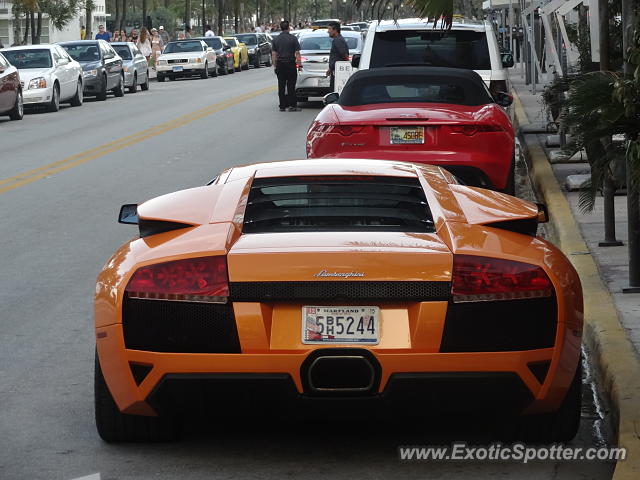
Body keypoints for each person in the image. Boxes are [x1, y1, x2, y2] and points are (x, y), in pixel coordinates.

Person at [271, 20, 302, 112]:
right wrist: (299, 65)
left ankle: (282, 106)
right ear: (288, 27)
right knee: (291, 85)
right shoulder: (293, 39)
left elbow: (274, 54)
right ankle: (292, 105)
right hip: (290, 63)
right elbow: (297, 53)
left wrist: (275, 66)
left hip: (280, 64)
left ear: (281, 28)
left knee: (281, 85)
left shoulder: (276, 39)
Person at [325, 21, 349, 90]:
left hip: (339, 72)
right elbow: (337, 56)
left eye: (329, 29)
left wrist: (347, 66)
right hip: (335, 70)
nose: (328, 31)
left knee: (335, 91)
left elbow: (344, 55)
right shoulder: (336, 40)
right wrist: (330, 68)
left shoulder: (338, 40)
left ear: (335, 30)